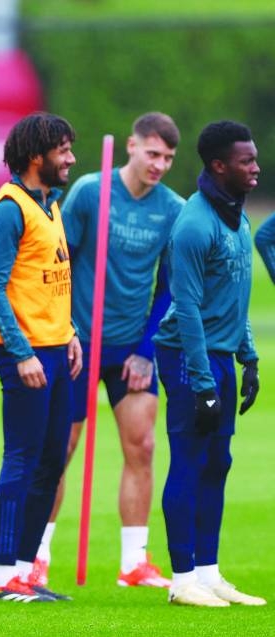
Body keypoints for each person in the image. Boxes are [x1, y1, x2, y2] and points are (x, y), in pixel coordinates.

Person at [33, 113, 184, 589]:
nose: (159, 164)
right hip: (76, 341)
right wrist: (69, 329)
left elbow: (168, 289)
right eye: (153, 153)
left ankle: (134, 563)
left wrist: (146, 350)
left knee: (142, 445)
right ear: (131, 147)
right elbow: (62, 263)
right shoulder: (89, 193)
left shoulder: (173, 209)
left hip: (131, 347)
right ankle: (34, 557)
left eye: (168, 158)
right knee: (61, 448)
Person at [153, 120, 265, 608]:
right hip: (186, 357)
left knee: (218, 462)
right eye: (246, 161)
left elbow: (233, 299)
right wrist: (202, 384)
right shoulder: (195, 224)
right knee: (190, 461)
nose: (256, 167)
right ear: (219, 166)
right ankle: (181, 581)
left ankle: (208, 571)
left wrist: (250, 356)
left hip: (220, 355)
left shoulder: (237, 216)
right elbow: (191, 308)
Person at [0, 112, 82, 603]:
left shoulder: (51, 205)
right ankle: (2, 577)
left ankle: (24, 573)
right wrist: (21, 353)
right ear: (37, 156)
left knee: (50, 463)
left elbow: (50, 280)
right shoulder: (9, 208)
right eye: (63, 150)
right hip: (26, 354)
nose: (71, 159)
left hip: (58, 350)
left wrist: (72, 333)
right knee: (21, 459)